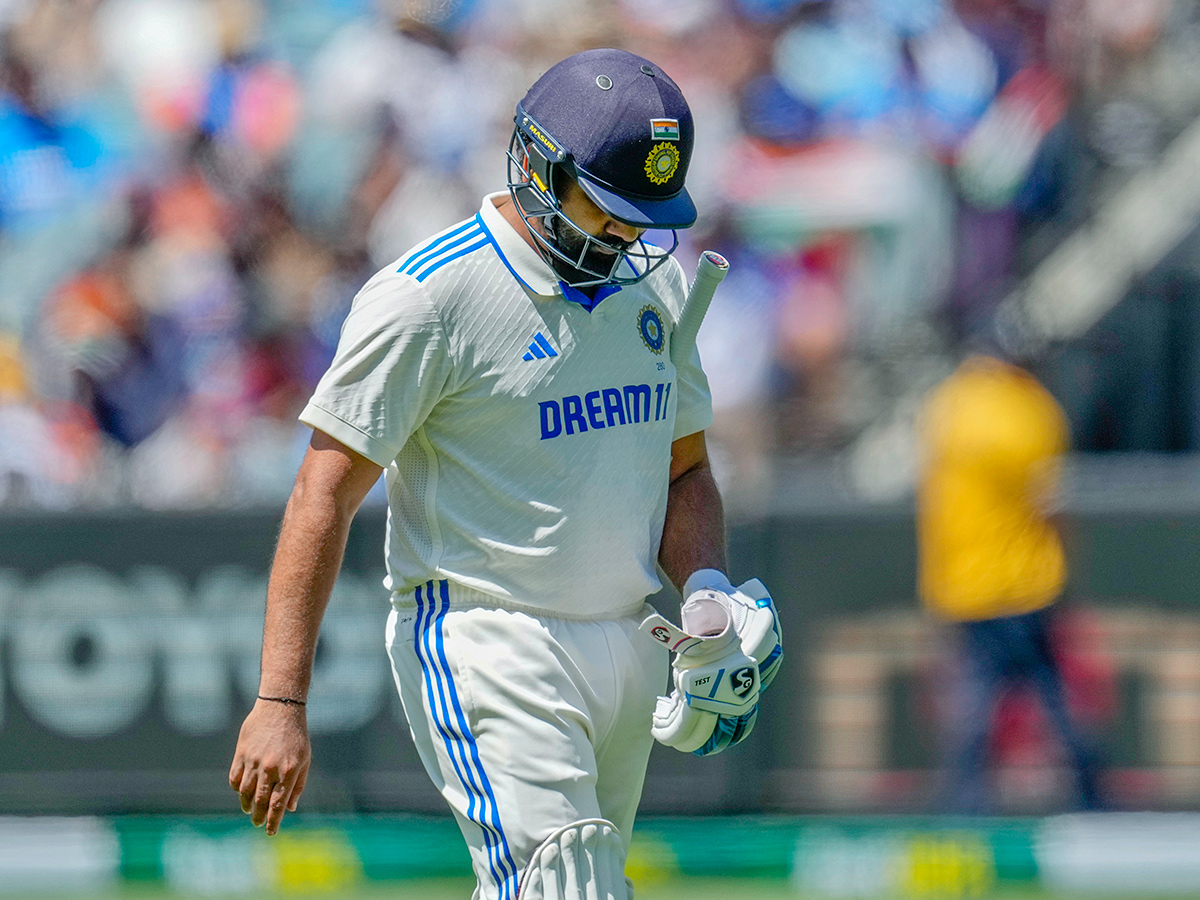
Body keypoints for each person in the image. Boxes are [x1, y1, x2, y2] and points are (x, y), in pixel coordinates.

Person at [228, 48, 782, 900]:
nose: (626, 236)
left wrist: (704, 589)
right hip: (487, 633)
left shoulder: (657, 289)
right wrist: (280, 702)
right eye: (606, 209)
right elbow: (323, 493)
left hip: (627, 636)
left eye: (641, 215)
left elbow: (686, 470)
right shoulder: (431, 295)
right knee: (564, 885)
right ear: (534, 165)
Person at [917, 336, 1102, 813]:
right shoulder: (1031, 409)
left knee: (974, 711)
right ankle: (1092, 802)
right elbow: (1051, 504)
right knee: (1057, 705)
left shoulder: (950, 403)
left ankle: (963, 811)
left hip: (964, 585)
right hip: (1026, 585)